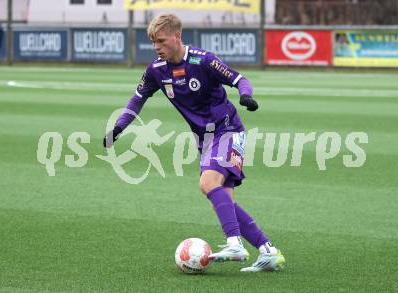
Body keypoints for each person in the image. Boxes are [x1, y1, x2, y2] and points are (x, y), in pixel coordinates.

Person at [103, 13, 285, 272]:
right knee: (223, 203)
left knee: (208, 183)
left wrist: (246, 96)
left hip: (228, 130)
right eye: (154, 42)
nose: (157, 47)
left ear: (177, 36)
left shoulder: (204, 60)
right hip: (206, 140)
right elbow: (137, 99)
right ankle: (268, 252)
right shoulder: (156, 70)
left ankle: (234, 243)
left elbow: (239, 79)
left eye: (161, 41)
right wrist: (119, 126)